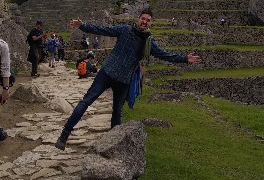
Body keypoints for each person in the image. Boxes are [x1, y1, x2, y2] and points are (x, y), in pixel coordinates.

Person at [55, 8, 201, 150]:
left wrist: (184, 59)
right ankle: (64, 135)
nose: (144, 22)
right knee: (86, 101)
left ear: (151, 23)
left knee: (117, 111)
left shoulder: (149, 42)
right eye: (143, 19)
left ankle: (112, 143)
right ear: (139, 19)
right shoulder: (125, 29)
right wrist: (83, 25)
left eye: (148, 20)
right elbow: (103, 30)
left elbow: (165, 55)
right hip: (107, 72)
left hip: (124, 80)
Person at [0, 39, 11, 141]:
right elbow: (5, 69)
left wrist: (5, 89)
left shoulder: (2, 45)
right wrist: (5, 89)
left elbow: (5, 70)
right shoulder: (3, 45)